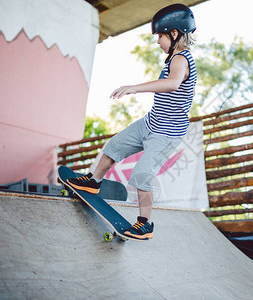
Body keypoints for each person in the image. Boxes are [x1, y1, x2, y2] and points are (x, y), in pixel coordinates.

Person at [67, 3, 197, 240]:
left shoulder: (181, 59)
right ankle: (93, 182)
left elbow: (173, 84)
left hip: (166, 134)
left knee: (141, 174)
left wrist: (134, 88)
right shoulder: (173, 59)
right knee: (115, 145)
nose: (158, 41)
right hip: (150, 124)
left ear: (175, 33)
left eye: (160, 35)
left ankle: (144, 224)